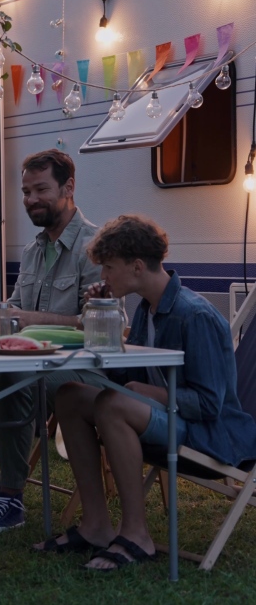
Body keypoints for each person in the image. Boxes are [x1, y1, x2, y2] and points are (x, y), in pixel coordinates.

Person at [41, 214, 256, 570]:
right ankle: (96, 525)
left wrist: (150, 393)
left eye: (108, 268)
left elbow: (209, 405)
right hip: (165, 420)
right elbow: (124, 373)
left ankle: (137, 534)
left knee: (112, 404)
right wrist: (102, 313)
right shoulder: (146, 310)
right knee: (69, 395)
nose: (103, 276)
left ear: (137, 266)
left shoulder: (194, 315)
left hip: (211, 436)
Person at [0, 149, 105, 534]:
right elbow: (15, 307)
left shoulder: (95, 246)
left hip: (82, 371)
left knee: (16, 377)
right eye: (26, 192)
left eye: (41, 189)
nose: (31, 200)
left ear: (69, 187)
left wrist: (28, 318)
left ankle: (11, 500)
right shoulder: (32, 251)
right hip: (33, 364)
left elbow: (99, 323)